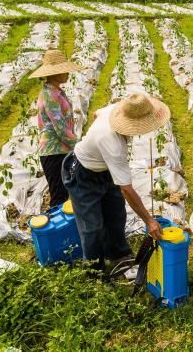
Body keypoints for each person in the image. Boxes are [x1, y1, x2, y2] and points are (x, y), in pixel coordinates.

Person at [62, 94, 166, 270]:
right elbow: (126, 190)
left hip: (105, 171)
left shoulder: (115, 110)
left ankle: (118, 255)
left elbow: (96, 114)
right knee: (92, 227)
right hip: (82, 174)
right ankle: (95, 270)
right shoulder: (113, 145)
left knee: (116, 214)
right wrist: (149, 220)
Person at [29, 49, 81, 208]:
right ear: (54, 73)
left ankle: (66, 229)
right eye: (63, 70)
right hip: (53, 153)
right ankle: (56, 231)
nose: (67, 73)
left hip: (62, 151)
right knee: (59, 197)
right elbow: (60, 128)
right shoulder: (50, 96)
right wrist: (79, 144)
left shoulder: (56, 92)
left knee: (66, 194)